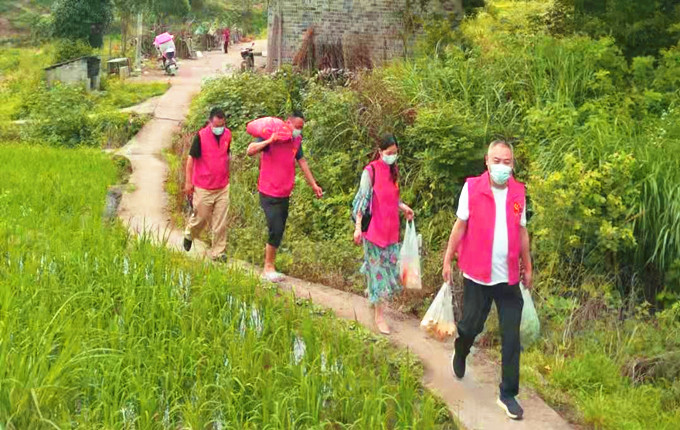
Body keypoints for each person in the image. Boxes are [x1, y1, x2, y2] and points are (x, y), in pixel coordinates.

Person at [442, 140, 533, 420]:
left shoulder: (519, 192)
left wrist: (528, 266)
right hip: (477, 276)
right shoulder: (472, 188)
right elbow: (460, 226)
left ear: (513, 164)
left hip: (508, 278)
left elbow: (522, 232)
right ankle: (461, 349)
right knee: (471, 326)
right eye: (497, 160)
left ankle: (508, 394)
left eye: (507, 162)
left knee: (511, 336)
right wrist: (447, 259)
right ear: (486, 161)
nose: (502, 166)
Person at [246, 111, 323, 282]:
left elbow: (302, 162)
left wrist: (314, 185)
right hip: (268, 190)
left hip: (284, 192)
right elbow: (250, 151)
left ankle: (270, 266)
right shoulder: (273, 134)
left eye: (302, 128)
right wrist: (269, 141)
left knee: (278, 230)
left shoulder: (296, 141)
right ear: (288, 122)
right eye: (297, 127)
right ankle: (267, 268)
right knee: (276, 226)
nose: (299, 131)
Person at [352, 134, 415, 335]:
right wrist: (358, 227)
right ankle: (379, 316)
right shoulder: (370, 171)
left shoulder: (393, 171)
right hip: (373, 232)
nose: (392, 157)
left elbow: (392, 198)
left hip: (391, 232)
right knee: (378, 273)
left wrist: (404, 207)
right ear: (380, 152)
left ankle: (374, 299)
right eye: (389, 153)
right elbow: (362, 201)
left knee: (386, 271)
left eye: (395, 153)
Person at [183, 108, 232, 262]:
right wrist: (188, 182)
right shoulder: (201, 136)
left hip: (222, 186)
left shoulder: (228, 135)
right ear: (210, 122)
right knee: (201, 217)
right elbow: (191, 159)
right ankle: (190, 233)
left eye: (222, 124)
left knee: (220, 221)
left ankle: (218, 252)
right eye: (217, 125)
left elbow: (227, 155)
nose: (220, 128)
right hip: (203, 186)